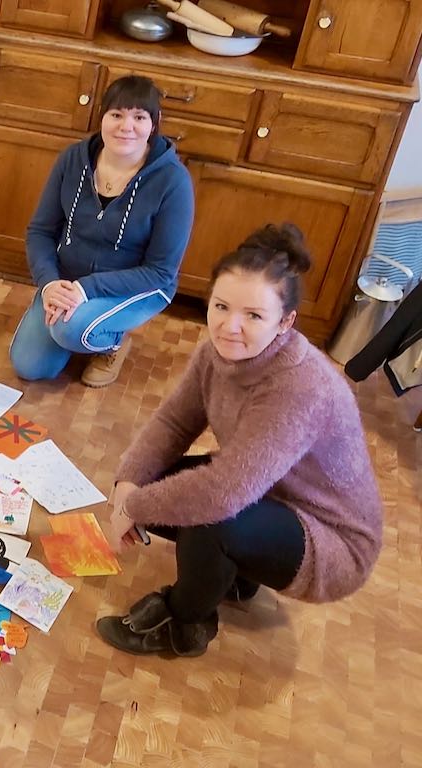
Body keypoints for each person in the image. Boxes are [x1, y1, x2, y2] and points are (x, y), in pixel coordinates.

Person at [96, 223, 383, 658]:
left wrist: (132, 507)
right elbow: (174, 422)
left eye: (253, 315)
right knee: (156, 485)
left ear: (286, 322)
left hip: (333, 541)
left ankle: (184, 623)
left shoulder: (299, 385)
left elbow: (223, 493)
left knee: (208, 515)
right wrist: (128, 485)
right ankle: (238, 571)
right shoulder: (215, 353)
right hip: (272, 493)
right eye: (221, 306)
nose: (230, 326)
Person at [10, 75, 195, 388]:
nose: (126, 127)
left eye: (139, 117)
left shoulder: (173, 182)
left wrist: (86, 290)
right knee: (28, 366)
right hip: (68, 280)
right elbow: (40, 231)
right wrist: (50, 284)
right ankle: (79, 324)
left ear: (155, 123)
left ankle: (112, 343)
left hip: (135, 286)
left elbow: (161, 271)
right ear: (102, 117)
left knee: (71, 330)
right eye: (117, 115)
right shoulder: (72, 159)